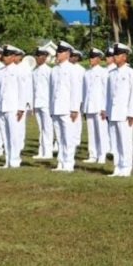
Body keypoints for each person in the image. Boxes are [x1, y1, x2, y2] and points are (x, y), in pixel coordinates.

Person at [104, 43, 133, 177]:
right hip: (113, 113)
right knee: (115, 142)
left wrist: (131, 113)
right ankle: (117, 166)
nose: (115, 57)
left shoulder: (131, 73)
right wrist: (107, 111)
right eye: (114, 54)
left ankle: (126, 167)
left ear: (124, 57)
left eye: (118, 54)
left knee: (125, 141)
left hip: (125, 113)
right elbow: (108, 95)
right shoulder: (111, 73)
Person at [49, 42, 83, 172]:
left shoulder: (72, 69)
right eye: (58, 51)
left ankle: (68, 163)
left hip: (68, 108)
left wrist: (75, 108)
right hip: (56, 108)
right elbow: (51, 91)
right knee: (59, 137)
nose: (58, 54)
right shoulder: (54, 70)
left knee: (68, 137)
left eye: (61, 52)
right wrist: (51, 108)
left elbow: (75, 90)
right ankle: (61, 162)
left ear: (68, 54)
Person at [0, 45, 31, 169]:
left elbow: (23, 90)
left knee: (14, 135)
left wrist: (21, 108)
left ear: (12, 57)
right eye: (4, 55)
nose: (4, 58)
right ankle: (7, 160)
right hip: (3, 107)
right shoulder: (0, 72)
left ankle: (15, 160)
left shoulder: (19, 71)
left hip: (14, 107)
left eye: (6, 55)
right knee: (5, 135)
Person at [82, 48, 109, 164]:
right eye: (90, 57)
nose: (91, 59)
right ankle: (93, 155)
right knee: (91, 132)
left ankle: (102, 154)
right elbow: (84, 91)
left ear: (98, 58)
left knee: (101, 132)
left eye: (93, 57)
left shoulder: (103, 72)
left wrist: (104, 108)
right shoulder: (86, 72)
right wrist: (84, 107)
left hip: (99, 106)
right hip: (89, 106)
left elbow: (106, 91)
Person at [31, 44, 55, 159]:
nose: (37, 58)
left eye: (39, 56)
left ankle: (48, 152)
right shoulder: (34, 71)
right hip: (38, 102)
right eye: (36, 56)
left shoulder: (48, 71)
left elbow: (52, 88)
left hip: (46, 103)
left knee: (48, 128)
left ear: (45, 57)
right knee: (41, 128)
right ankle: (42, 151)